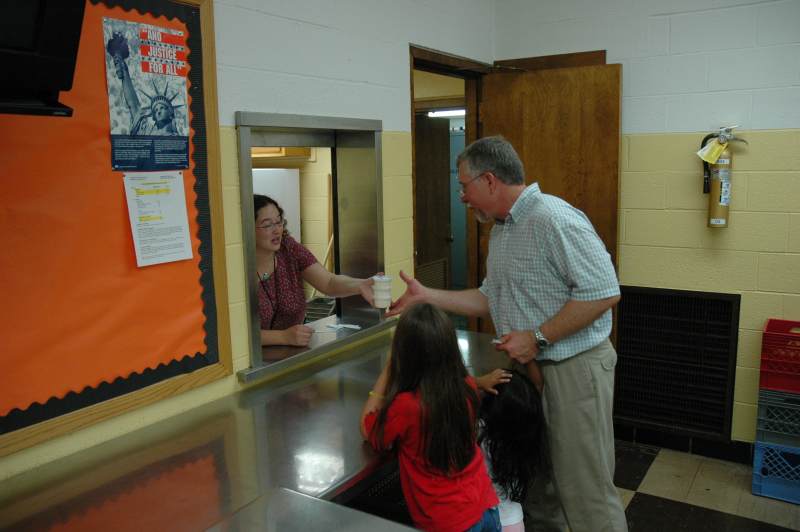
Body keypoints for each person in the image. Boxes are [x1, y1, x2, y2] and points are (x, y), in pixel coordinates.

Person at [387, 136, 627, 532]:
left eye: (464, 185)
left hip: (573, 369)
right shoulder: (502, 230)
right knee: (541, 483)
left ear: (490, 180)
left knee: (585, 491)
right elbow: (490, 298)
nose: (462, 196)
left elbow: (604, 292)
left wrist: (537, 337)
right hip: (532, 371)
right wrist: (426, 296)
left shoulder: (554, 218)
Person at [360, 303, 510, 532]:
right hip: (486, 508)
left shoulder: (406, 406)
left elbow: (369, 428)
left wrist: (388, 369)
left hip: (448, 522)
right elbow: (463, 380)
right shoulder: (466, 386)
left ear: (404, 354)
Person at [254, 194, 375, 347]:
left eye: (279, 222)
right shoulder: (237, 268)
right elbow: (237, 335)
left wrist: (360, 285)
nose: (277, 230)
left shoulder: (288, 248)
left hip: (291, 353)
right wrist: (283, 337)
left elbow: (329, 282)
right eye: (267, 225)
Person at [479, 369, 549, 532]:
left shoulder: (481, 433)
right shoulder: (525, 440)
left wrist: (478, 382)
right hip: (514, 521)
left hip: (486, 519)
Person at [106, 32, 183, 136]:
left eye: (161, 108)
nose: (158, 112)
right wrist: (124, 69)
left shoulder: (177, 139)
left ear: (170, 112)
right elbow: (134, 106)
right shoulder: (148, 131)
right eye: (155, 111)